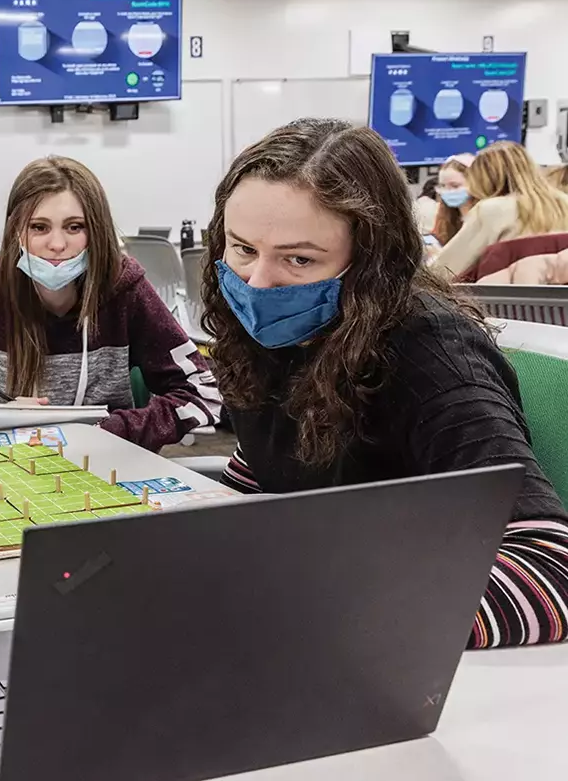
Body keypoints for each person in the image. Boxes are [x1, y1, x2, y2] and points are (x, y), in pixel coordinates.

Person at [203, 118, 568, 649]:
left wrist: (342, 610)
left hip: (411, 667)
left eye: (299, 258)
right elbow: (268, 464)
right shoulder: (285, 329)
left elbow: (552, 566)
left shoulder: (432, 358)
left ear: (371, 259)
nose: (257, 282)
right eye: (241, 249)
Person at [0, 157, 221, 449]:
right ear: (16, 232)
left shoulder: (125, 291)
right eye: (39, 227)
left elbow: (200, 393)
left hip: (105, 465)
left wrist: (113, 431)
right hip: (3, 468)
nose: (57, 244)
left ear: (96, 232)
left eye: (74, 227)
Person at [434, 141, 568, 279]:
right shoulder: (564, 203)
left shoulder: (491, 210)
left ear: (484, 178)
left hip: (502, 297)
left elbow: (445, 270)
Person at [430, 154, 473, 248]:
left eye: (455, 186)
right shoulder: (444, 217)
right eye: (443, 186)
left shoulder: (485, 217)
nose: (448, 191)